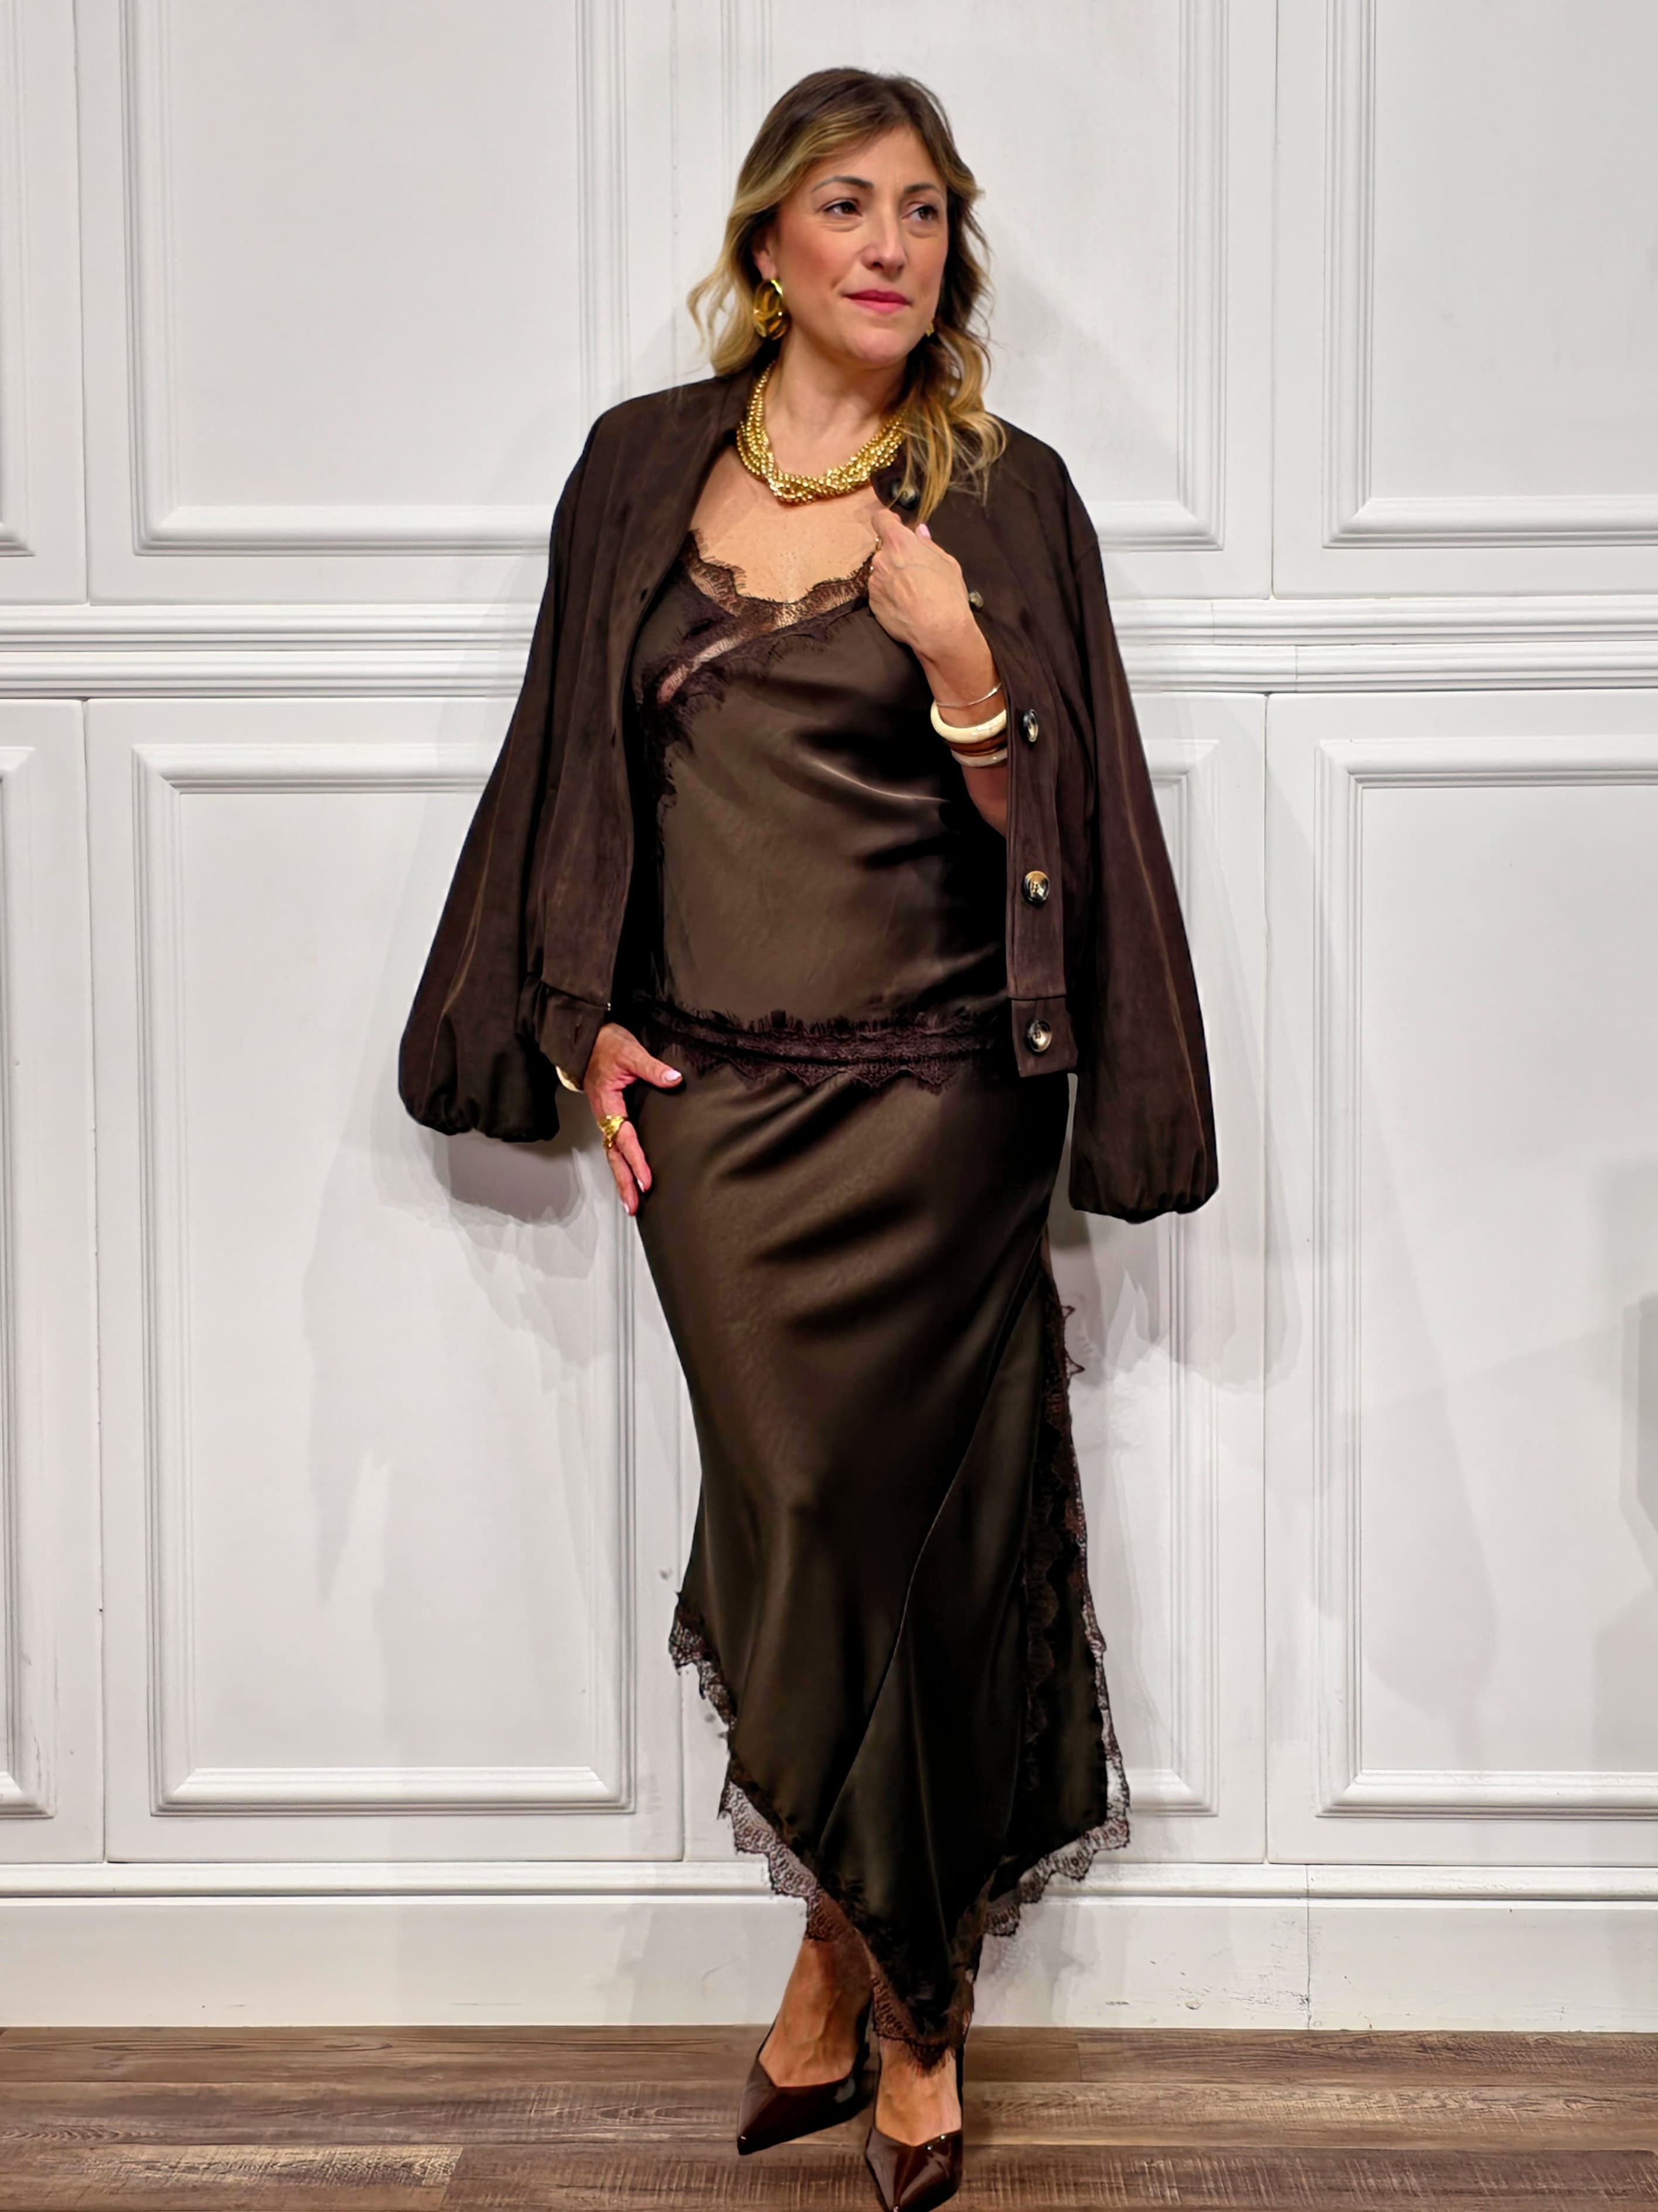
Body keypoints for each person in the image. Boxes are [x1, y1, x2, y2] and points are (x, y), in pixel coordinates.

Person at [399, 65, 1217, 2212]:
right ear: (769, 240)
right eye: (849, 204)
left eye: (925, 211)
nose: (890, 244)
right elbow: (569, 767)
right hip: (722, 1122)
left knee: (910, 1543)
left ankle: (901, 2011)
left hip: (943, 1106)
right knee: (799, 1514)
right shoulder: (636, 467)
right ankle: (860, 1961)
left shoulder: (1003, 497)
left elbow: (1067, 825)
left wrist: (960, 667)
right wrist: (569, 1021)